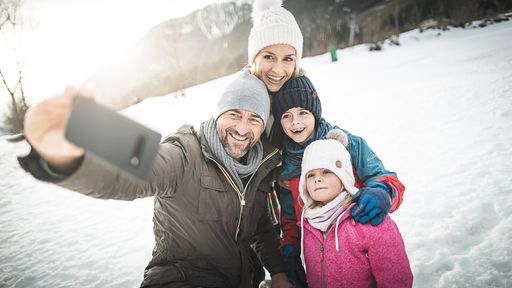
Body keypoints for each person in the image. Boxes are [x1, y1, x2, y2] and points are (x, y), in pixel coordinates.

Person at [18, 71, 293, 288]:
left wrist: (278, 272)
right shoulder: (185, 154)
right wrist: (63, 153)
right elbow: (130, 175)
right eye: (234, 114)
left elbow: (259, 229)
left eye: (254, 118)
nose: (243, 128)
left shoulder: (259, 166)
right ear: (219, 114)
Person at [271, 75, 406, 286]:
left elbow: (386, 178)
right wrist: (290, 248)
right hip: (319, 260)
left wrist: (382, 191)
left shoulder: (349, 145)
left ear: (315, 113)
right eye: (286, 115)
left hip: (358, 251)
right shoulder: (286, 165)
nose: (295, 122)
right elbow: (291, 218)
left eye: (303, 113)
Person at [298, 138, 413, 287]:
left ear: (343, 176)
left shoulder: (368, 219)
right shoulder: (307, 225)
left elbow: (397, 281)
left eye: (326, 172)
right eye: (310, 175)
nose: (317, 179)